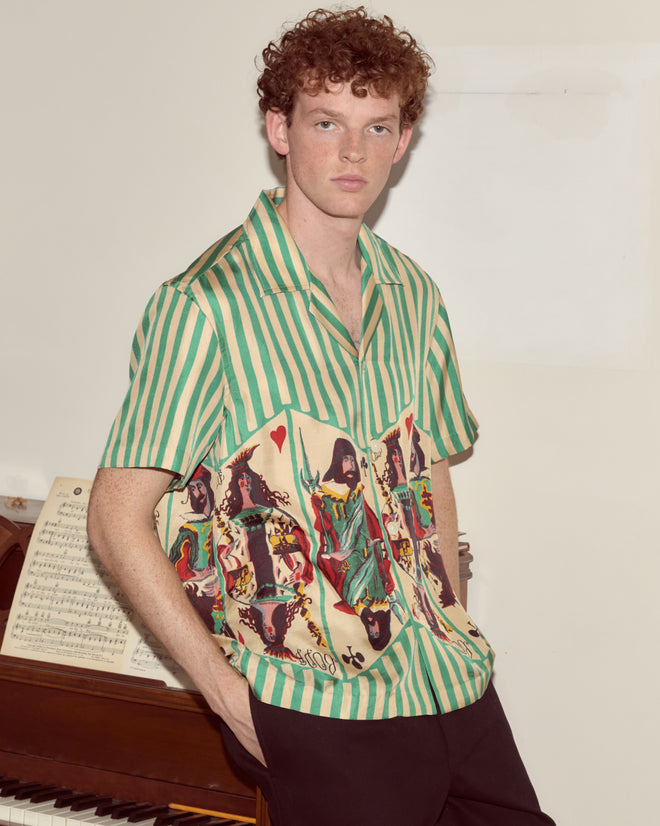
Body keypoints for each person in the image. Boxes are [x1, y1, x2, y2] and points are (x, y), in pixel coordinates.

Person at [87, 7, 555, 825]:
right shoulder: (205, 307)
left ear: (403, 140)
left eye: (378, 127)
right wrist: (231, 698)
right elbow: (114, 518)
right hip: (316, 705)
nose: (352, 153)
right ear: (279, 128)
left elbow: (432, 465)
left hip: (447, 680)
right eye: (327, 121)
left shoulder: (413, 293)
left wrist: (452, 612)